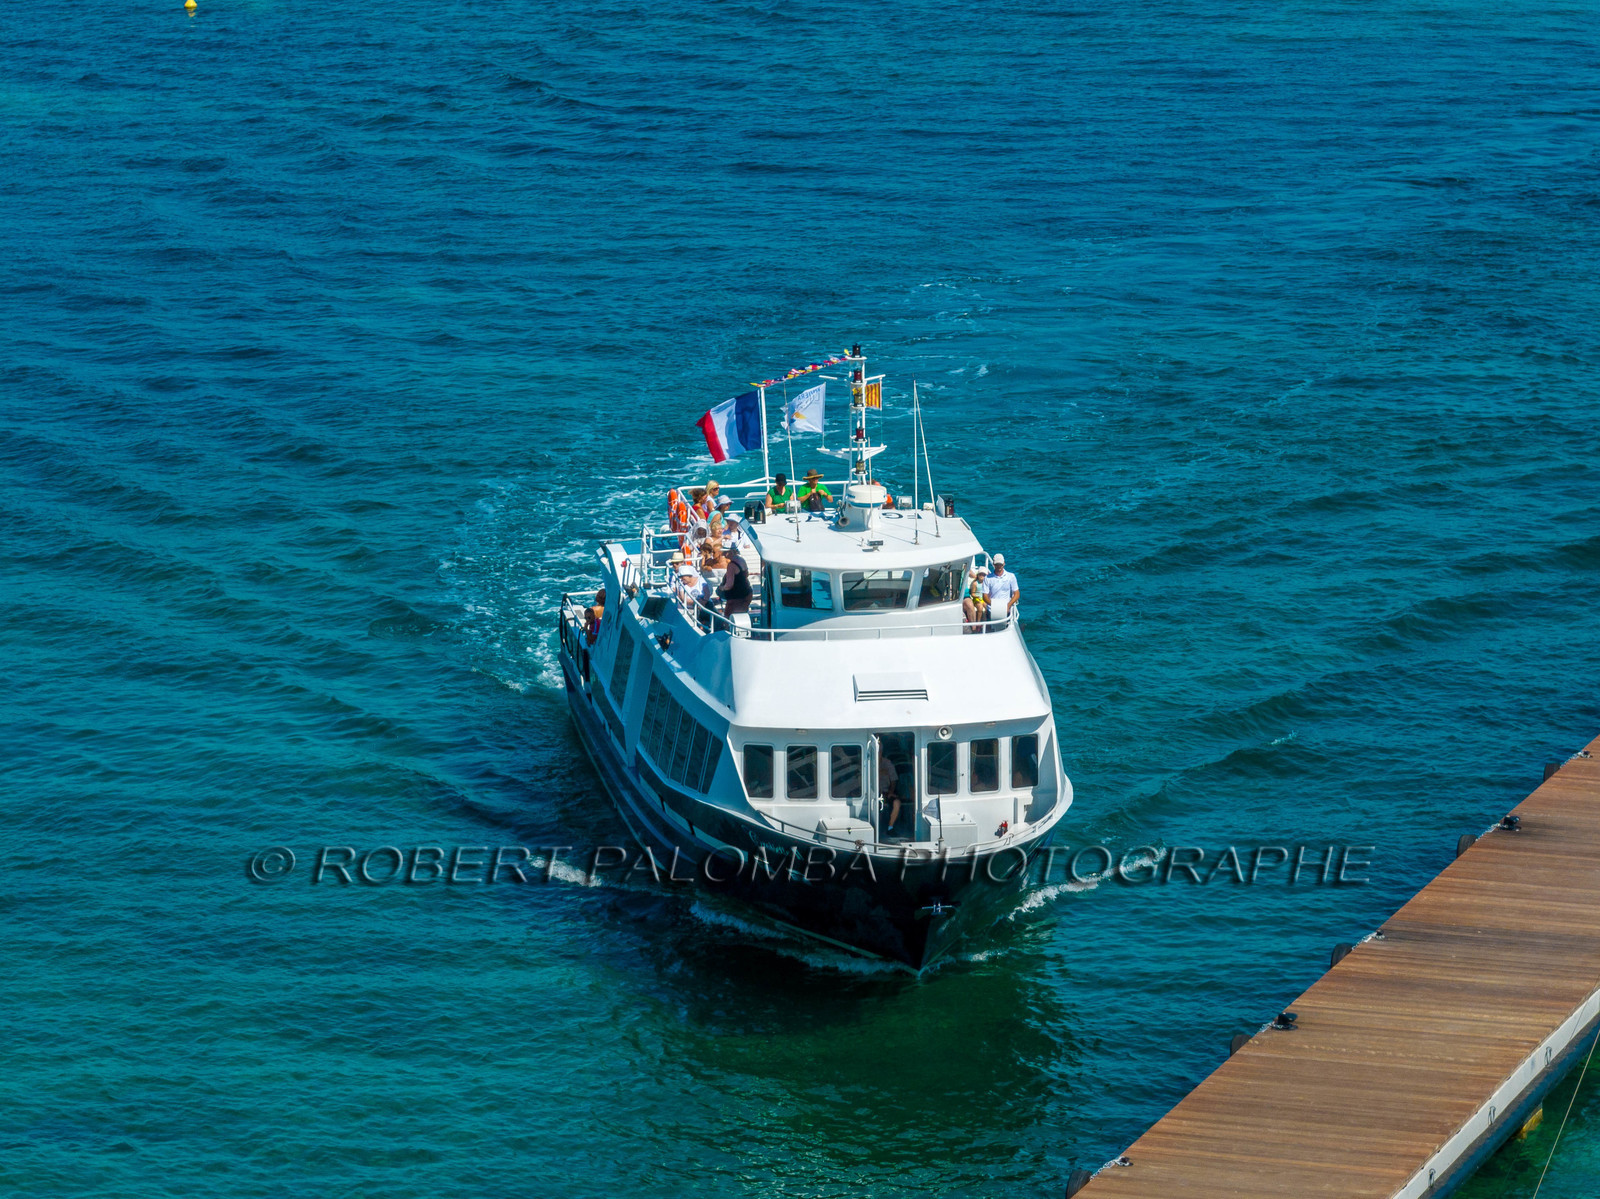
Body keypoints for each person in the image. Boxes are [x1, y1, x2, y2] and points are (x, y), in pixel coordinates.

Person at [983, 554, 1020, 624]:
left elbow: (1017, 594)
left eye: (1000, 564)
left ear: (1004, 564)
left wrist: (1008, 605)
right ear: (994, 564)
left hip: (1006, 609)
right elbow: (984, 596)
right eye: (997, 564)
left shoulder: (1011, 576)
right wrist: (994, 606)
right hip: (991, 610)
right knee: (991, 629)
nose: (999, 566)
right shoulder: (987, 578)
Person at [719, 543, 753, 616]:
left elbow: (729, 585)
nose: (723, 555)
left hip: (736, 597)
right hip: (746, 593)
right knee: (742, 616)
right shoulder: (741, 560)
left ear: (730, 552)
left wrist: (721, 588)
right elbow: (746, 574)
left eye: (725, 552)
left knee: (730, 618)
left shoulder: (731, 565)